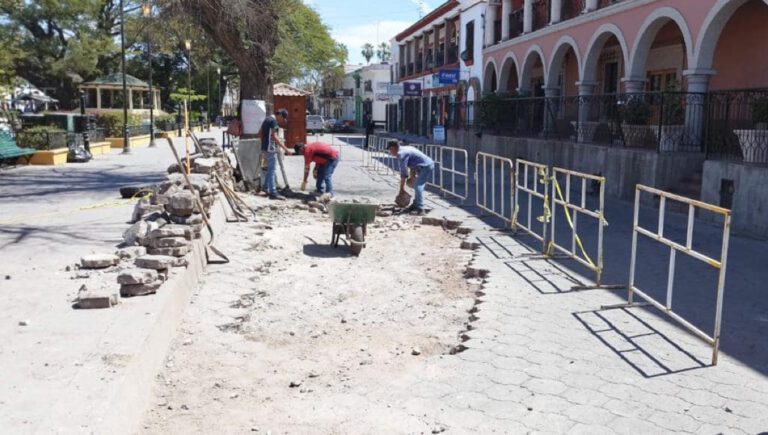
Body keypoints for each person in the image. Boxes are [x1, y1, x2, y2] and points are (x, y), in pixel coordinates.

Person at [387, 140, 434, 215]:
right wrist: (412, 176)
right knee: (416, 185)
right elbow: (413, 162)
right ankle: (415, 204)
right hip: (421, 165)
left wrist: (401, 189)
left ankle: (420, 209)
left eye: (389, 150)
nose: (390, 152)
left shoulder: (401, 154)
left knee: (419, 186)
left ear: (393, 148)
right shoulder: (404, 148)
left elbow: (403, 174)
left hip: (426, 166)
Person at [260, 108, 292, 200]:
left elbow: (260, 133)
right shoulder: (274, 122)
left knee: (270, 169)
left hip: (265, 148)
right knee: (272, 170)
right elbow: (274, 137)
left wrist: (263, 145)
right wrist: (286, 149)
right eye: (283, 119)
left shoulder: (266, 119)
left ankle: (265, 188)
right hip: (270, 148)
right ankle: (273, 192)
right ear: (280, 115)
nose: (282, 121)